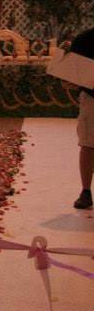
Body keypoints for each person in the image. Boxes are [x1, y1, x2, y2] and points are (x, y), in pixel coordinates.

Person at [71, 29, 94, 209]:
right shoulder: (84, 40)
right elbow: (71, 75)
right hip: (91, 98)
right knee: (87, 145)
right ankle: (86, 191)